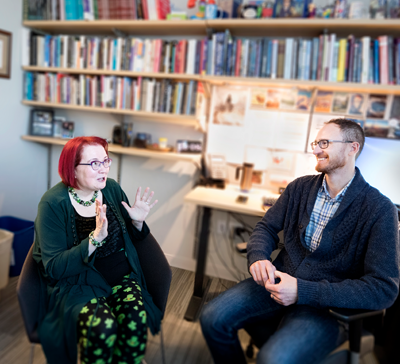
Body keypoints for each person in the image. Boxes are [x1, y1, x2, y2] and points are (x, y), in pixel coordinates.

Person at [200, 118, 399, 364]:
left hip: (323, 307)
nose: (315, 150)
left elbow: (383, 289)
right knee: (211, 318)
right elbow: (266, 227)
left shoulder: (380, 209)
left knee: (273, 359)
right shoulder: (299, 188)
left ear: (352, 148)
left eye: (324, 143)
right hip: (275, 283)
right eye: (316, 143)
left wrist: (303, 291)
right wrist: (258, 256)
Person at [33, 136, 161, 364]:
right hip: (78, 284)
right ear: (72, 168)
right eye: (94, 163)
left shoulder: (110, 188)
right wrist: (93, 240)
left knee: (136, 321)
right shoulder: (52, 203)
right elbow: (53, 268)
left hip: (122, 277)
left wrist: (137, 223)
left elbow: (132, 240)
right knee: (103, 329)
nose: (104, 169)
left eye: (106, 161)